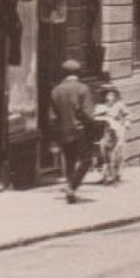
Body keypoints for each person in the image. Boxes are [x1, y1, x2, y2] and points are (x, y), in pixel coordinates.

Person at [49, 60, 97, 204]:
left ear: (64, 73)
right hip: (80, 131)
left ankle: (71, 193)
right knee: (86, 160)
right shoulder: (83, 89)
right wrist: (92, 129)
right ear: (78, 73)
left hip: (63, 131)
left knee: (70, 161)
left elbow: (52, 116)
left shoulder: (56, 90)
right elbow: (89, 113)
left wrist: (55, 133)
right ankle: (72, 186)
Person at [93, 85, 130, 184]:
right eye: (108, 95)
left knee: (117, 152)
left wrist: (126, 123)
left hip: (117, 130)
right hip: (105, 132)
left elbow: (127, 115)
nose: (110, 97)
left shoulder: (119, 105)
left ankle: (116, 175)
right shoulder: (101, 106)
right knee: (104, 153)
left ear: (115, 96)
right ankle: (105, 175)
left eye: (112, 95)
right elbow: (95, 117)